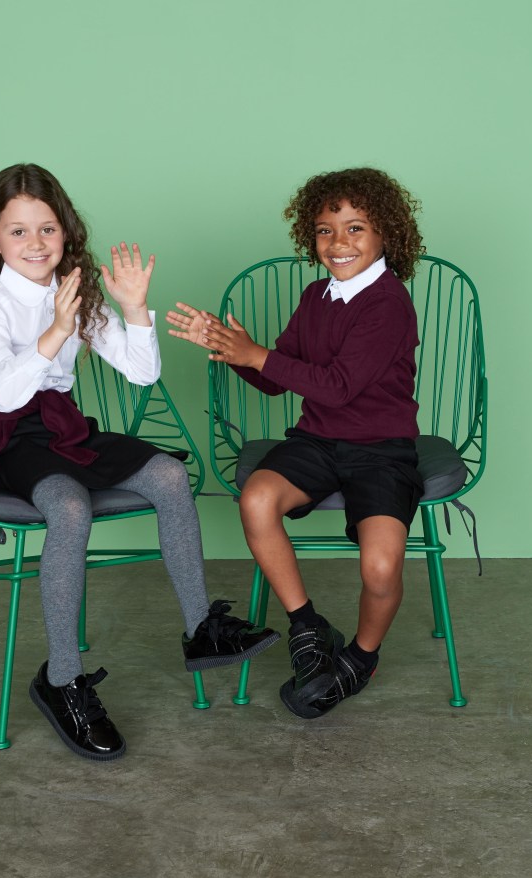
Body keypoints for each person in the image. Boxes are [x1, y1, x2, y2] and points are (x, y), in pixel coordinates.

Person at [0, 163, 279, 761]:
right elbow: (1, 396)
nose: (36, 243)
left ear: (65, 233)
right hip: (10, 437)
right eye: (18, 232)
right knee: (70, 509)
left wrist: (134, 308)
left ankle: (203, 630)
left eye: (47, 229)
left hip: (66, 428)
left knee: (171, 477)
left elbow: (141, 372)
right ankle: (63, 678)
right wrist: (54, 332)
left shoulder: (73, 291)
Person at [166, 167, 425, 720]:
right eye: (326, 230)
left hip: (382, 448)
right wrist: (230, 349)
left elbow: (338, 387)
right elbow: (278, 376)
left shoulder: (388, 303)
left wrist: (257, 352)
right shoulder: (316, 297)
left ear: (387, 235)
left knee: (381, 568)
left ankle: (361, 655)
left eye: (356, 228)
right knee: (256, 498)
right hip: (318, 441)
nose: (339, 243)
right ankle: (306, 622)